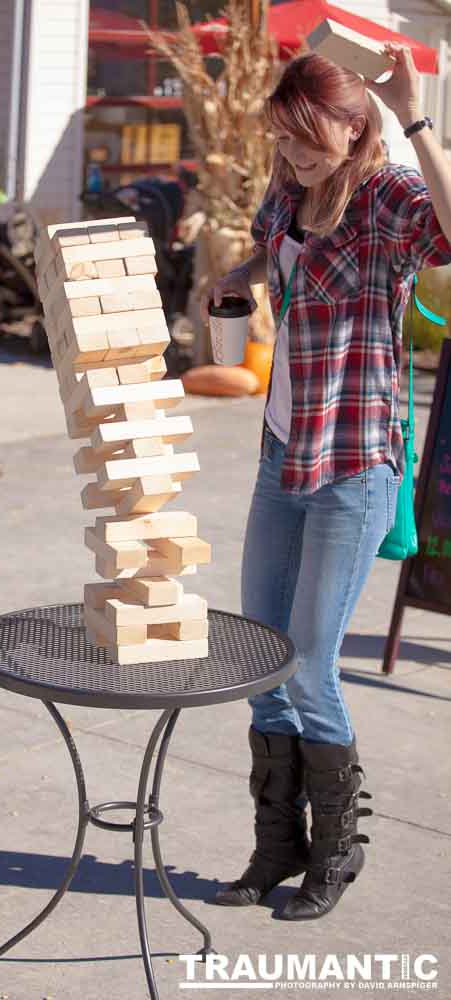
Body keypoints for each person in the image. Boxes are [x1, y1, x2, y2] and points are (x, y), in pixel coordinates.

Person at [202, 44, 451, 920]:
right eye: (283, 138)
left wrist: (416, 113)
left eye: (308, 141)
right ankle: (275, 849)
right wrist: (237, 279)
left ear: (352, 129)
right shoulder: (285, 192)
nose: (293, 156)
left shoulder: (387, 200)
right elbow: (284, 265)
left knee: (309, 665)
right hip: (282, 461)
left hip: (351, 468)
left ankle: (335, 854)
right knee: (262, 661)